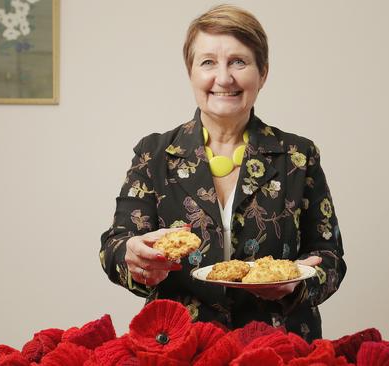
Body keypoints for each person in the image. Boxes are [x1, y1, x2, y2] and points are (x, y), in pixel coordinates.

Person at [100, 4, 346, 341]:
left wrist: (297, 285)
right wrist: (133, 257)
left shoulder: (298, 156)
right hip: (179, 346)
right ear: (191, 72)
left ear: (263, 72)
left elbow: (331, 258)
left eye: (238, 61)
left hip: (279, 346)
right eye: (208, 63)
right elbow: (114, 246)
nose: (224, 78)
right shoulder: (153, 153)